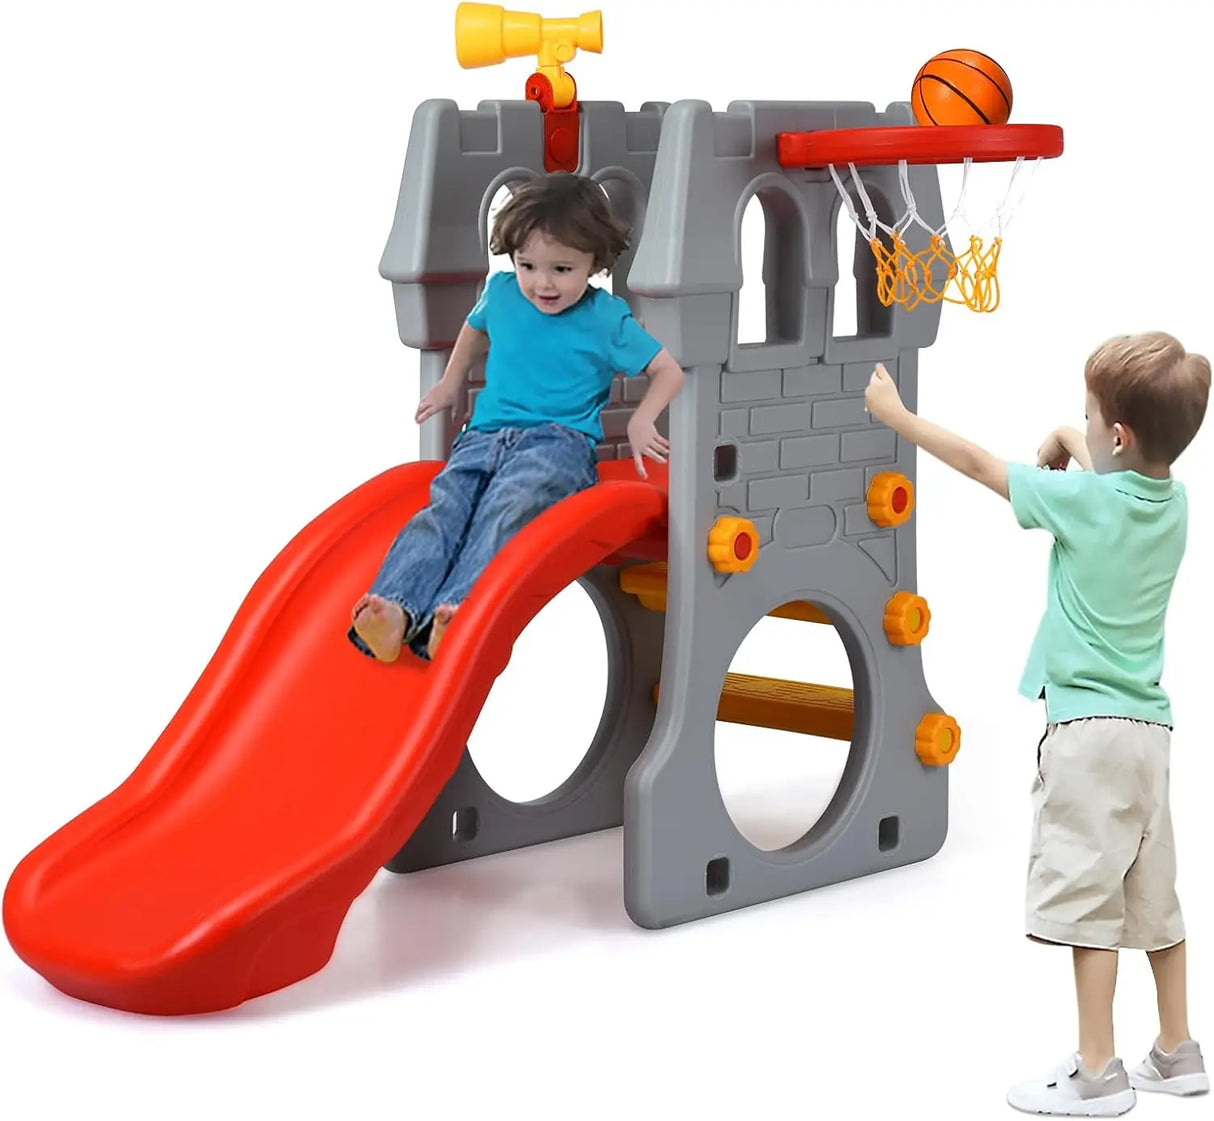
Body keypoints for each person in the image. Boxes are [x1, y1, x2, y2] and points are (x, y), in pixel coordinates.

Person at [864, 332, 1210, 1116]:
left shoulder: (1082, 501)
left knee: (1091, 906)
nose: (1082, 429)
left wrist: (897, 415)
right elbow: (1118, 481)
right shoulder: (1174, 502)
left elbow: (983, 465)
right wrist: (1065, 434)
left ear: (1116, 435)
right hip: (1150, 737)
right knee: (1153, 900)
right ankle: (1177, 1049)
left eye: (1090, 418)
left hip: (1085, 732)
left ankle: (1097, 1070)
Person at [350, 174, 683, 663]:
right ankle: (397, 610)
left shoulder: (604, 317)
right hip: (482, 437)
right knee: (444, 510)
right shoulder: (504, 292)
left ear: (596, 262)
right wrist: (450, 382)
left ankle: (457, 613)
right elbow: (474, 328)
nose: (542, 283)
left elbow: (667, 371)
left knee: (508, 506)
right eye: (527, 264)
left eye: (561, 268)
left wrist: (641, 419)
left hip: (558, 444)